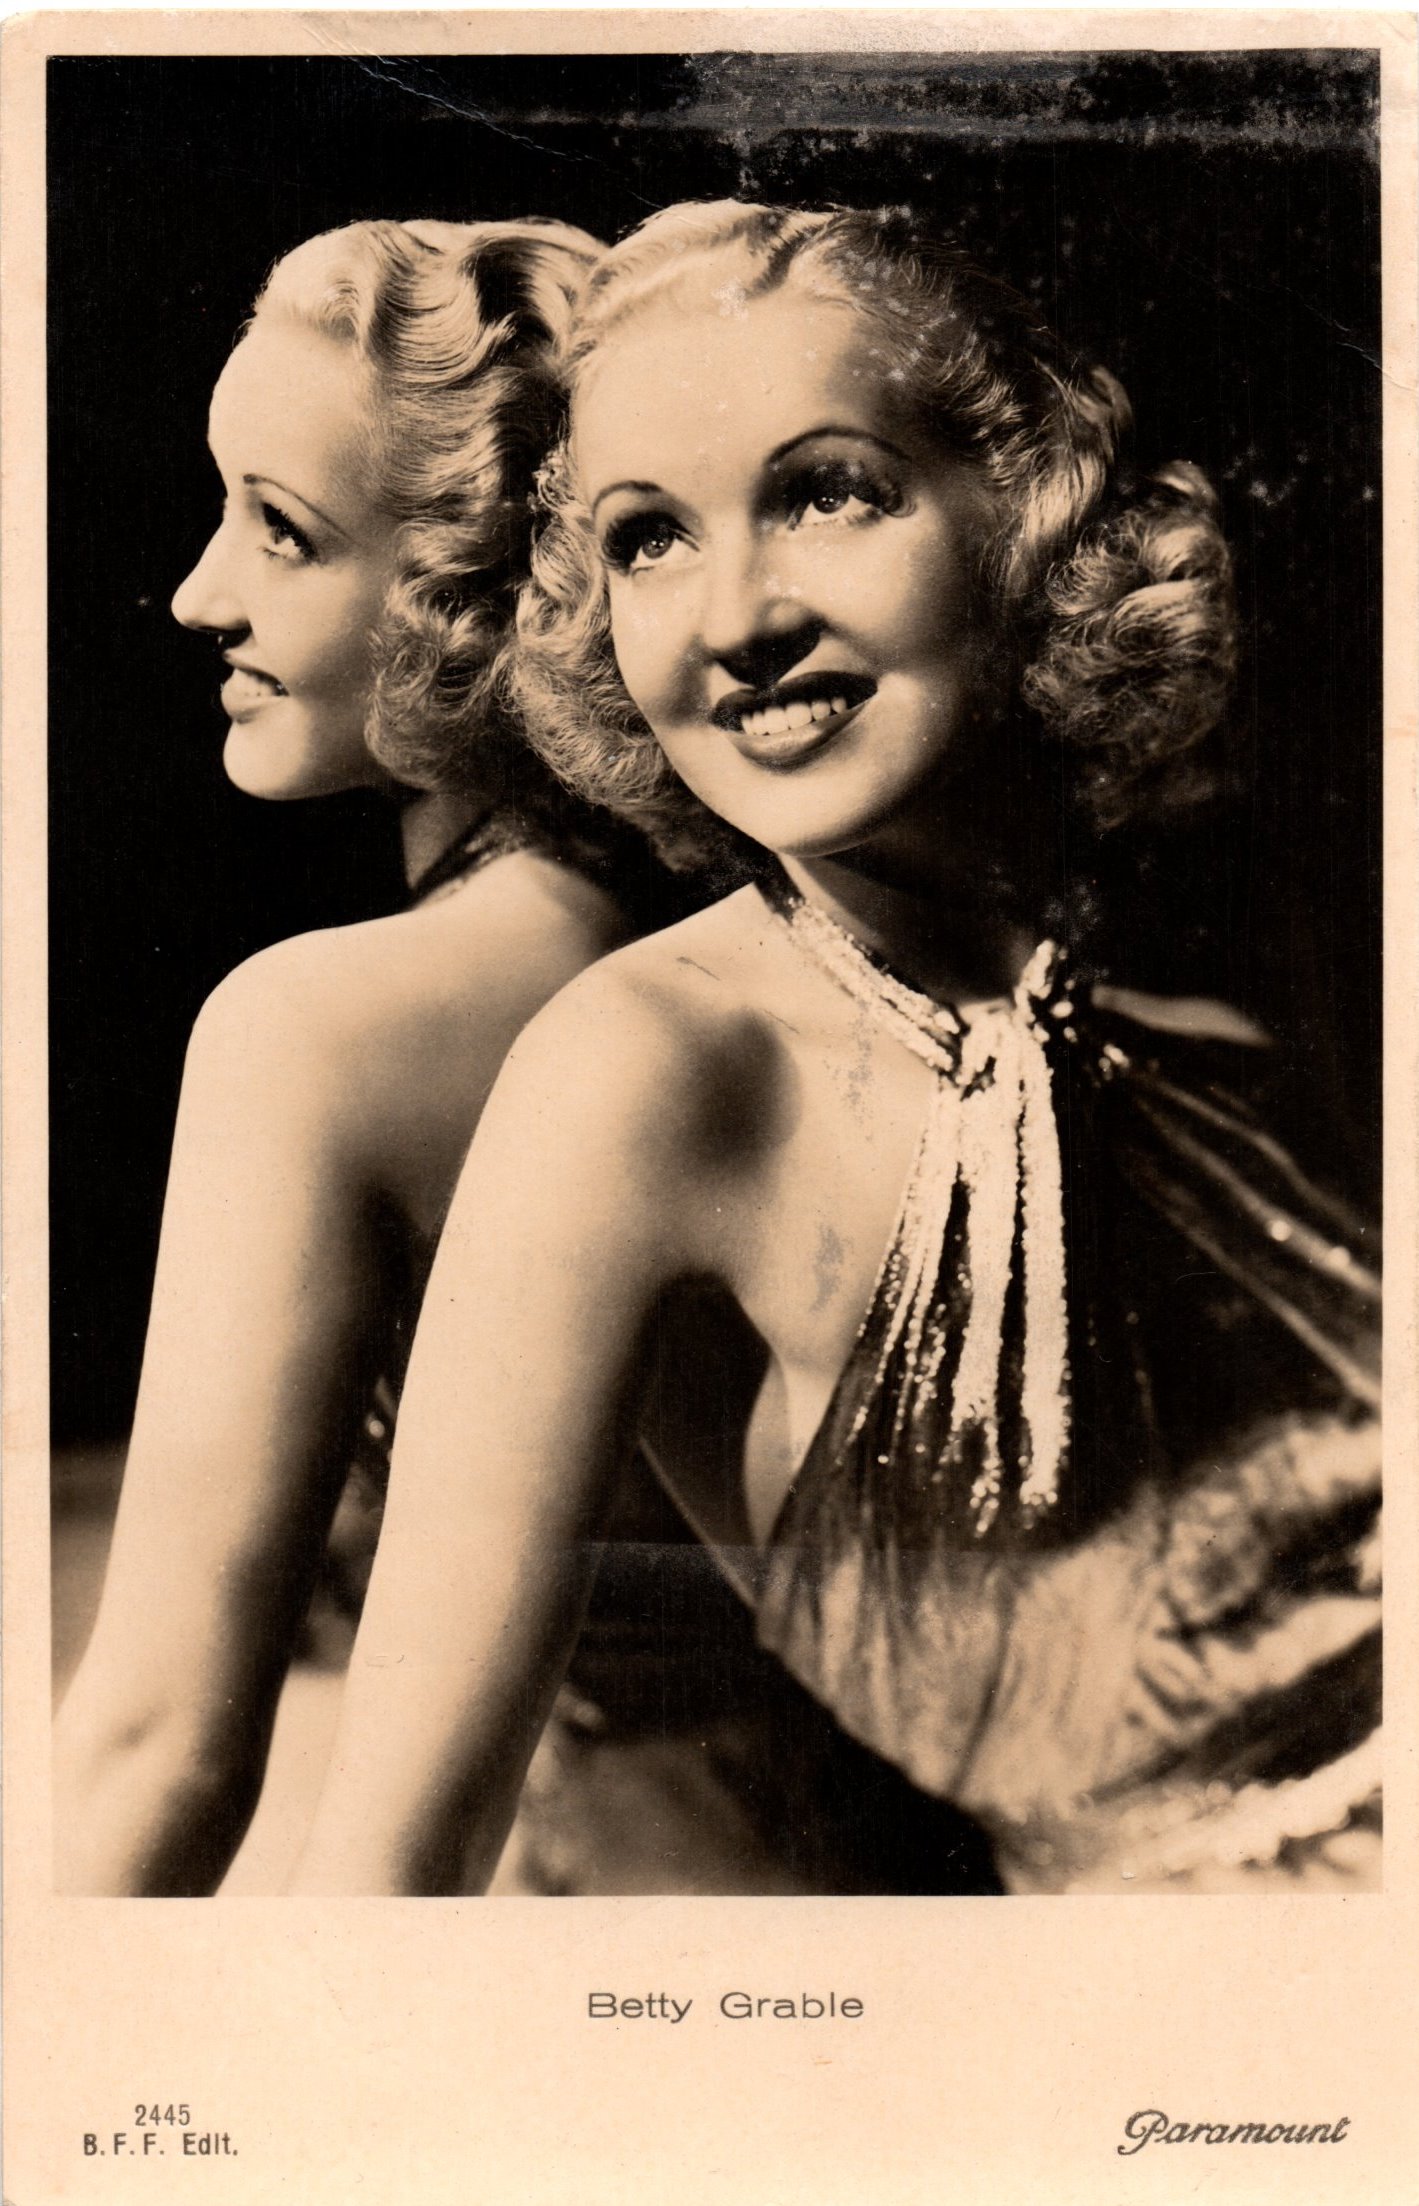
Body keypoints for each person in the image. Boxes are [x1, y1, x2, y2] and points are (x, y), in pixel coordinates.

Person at [290, 202, 1380, 1898]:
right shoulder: (643, 1075)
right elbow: (377, 1878)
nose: (736, 616)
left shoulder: (1219, 937)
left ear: (1024, 511)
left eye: (824, 493)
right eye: (648, 538)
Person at [53, 215, 677, 1896]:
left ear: (478, 586)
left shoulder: (324, 1033)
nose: (200, 595)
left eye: (283, 531)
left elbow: (159, 1753)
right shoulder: (727, 954)